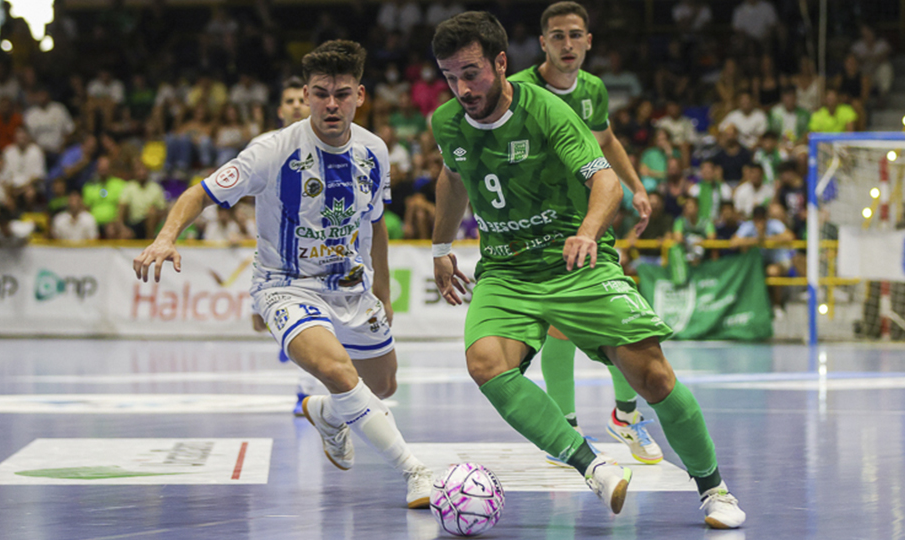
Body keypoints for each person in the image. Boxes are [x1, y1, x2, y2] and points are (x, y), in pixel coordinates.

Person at [429, 11, 745, 528]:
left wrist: (588, 232)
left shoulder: (548, 110)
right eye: (449, 76)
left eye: (471, 73)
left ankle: (713, 489)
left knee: (653, 377)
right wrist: (441, 244)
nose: (461, 88)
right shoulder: (446, 122)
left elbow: (606, 181)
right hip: (507, 272)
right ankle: (590, 464)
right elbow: (453, 175)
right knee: (486, 363)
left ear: (501, 63)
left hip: (576, 262)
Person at [132, 40, 433, 509]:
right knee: (336, 369)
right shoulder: (272, 150)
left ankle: (326, 415)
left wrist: (382, 289)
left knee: (383, 384)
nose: (330, 104)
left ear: (360, 95)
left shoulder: (374, 150)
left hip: (351, 286)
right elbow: (200, 193)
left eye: (342, 93)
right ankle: (415, 470)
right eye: (320, 93)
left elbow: (374, 222)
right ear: (307, 95)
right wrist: (165, 236)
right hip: (285, 284)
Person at [508, 1, 662, 467]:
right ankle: (568, 426)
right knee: (561, 324)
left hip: (593, 220)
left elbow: (607, 139)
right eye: (558, 36)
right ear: (543, 43)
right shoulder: (517, 90)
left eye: (576, 35)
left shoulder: (592, 88)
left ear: (589, 41)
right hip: (541, 227)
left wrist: (635, 186)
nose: (567, 44)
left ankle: (624, 415)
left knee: (622, 318)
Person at [249, 75, 323, 415]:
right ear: (280, 110)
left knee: (321, 329)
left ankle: (305, 393)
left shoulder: (331, 143)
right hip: (276, 257)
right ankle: (290, 345)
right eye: (289, 101)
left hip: (321, 254)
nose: (296, 106)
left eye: (301, 100)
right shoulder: (263, 146)